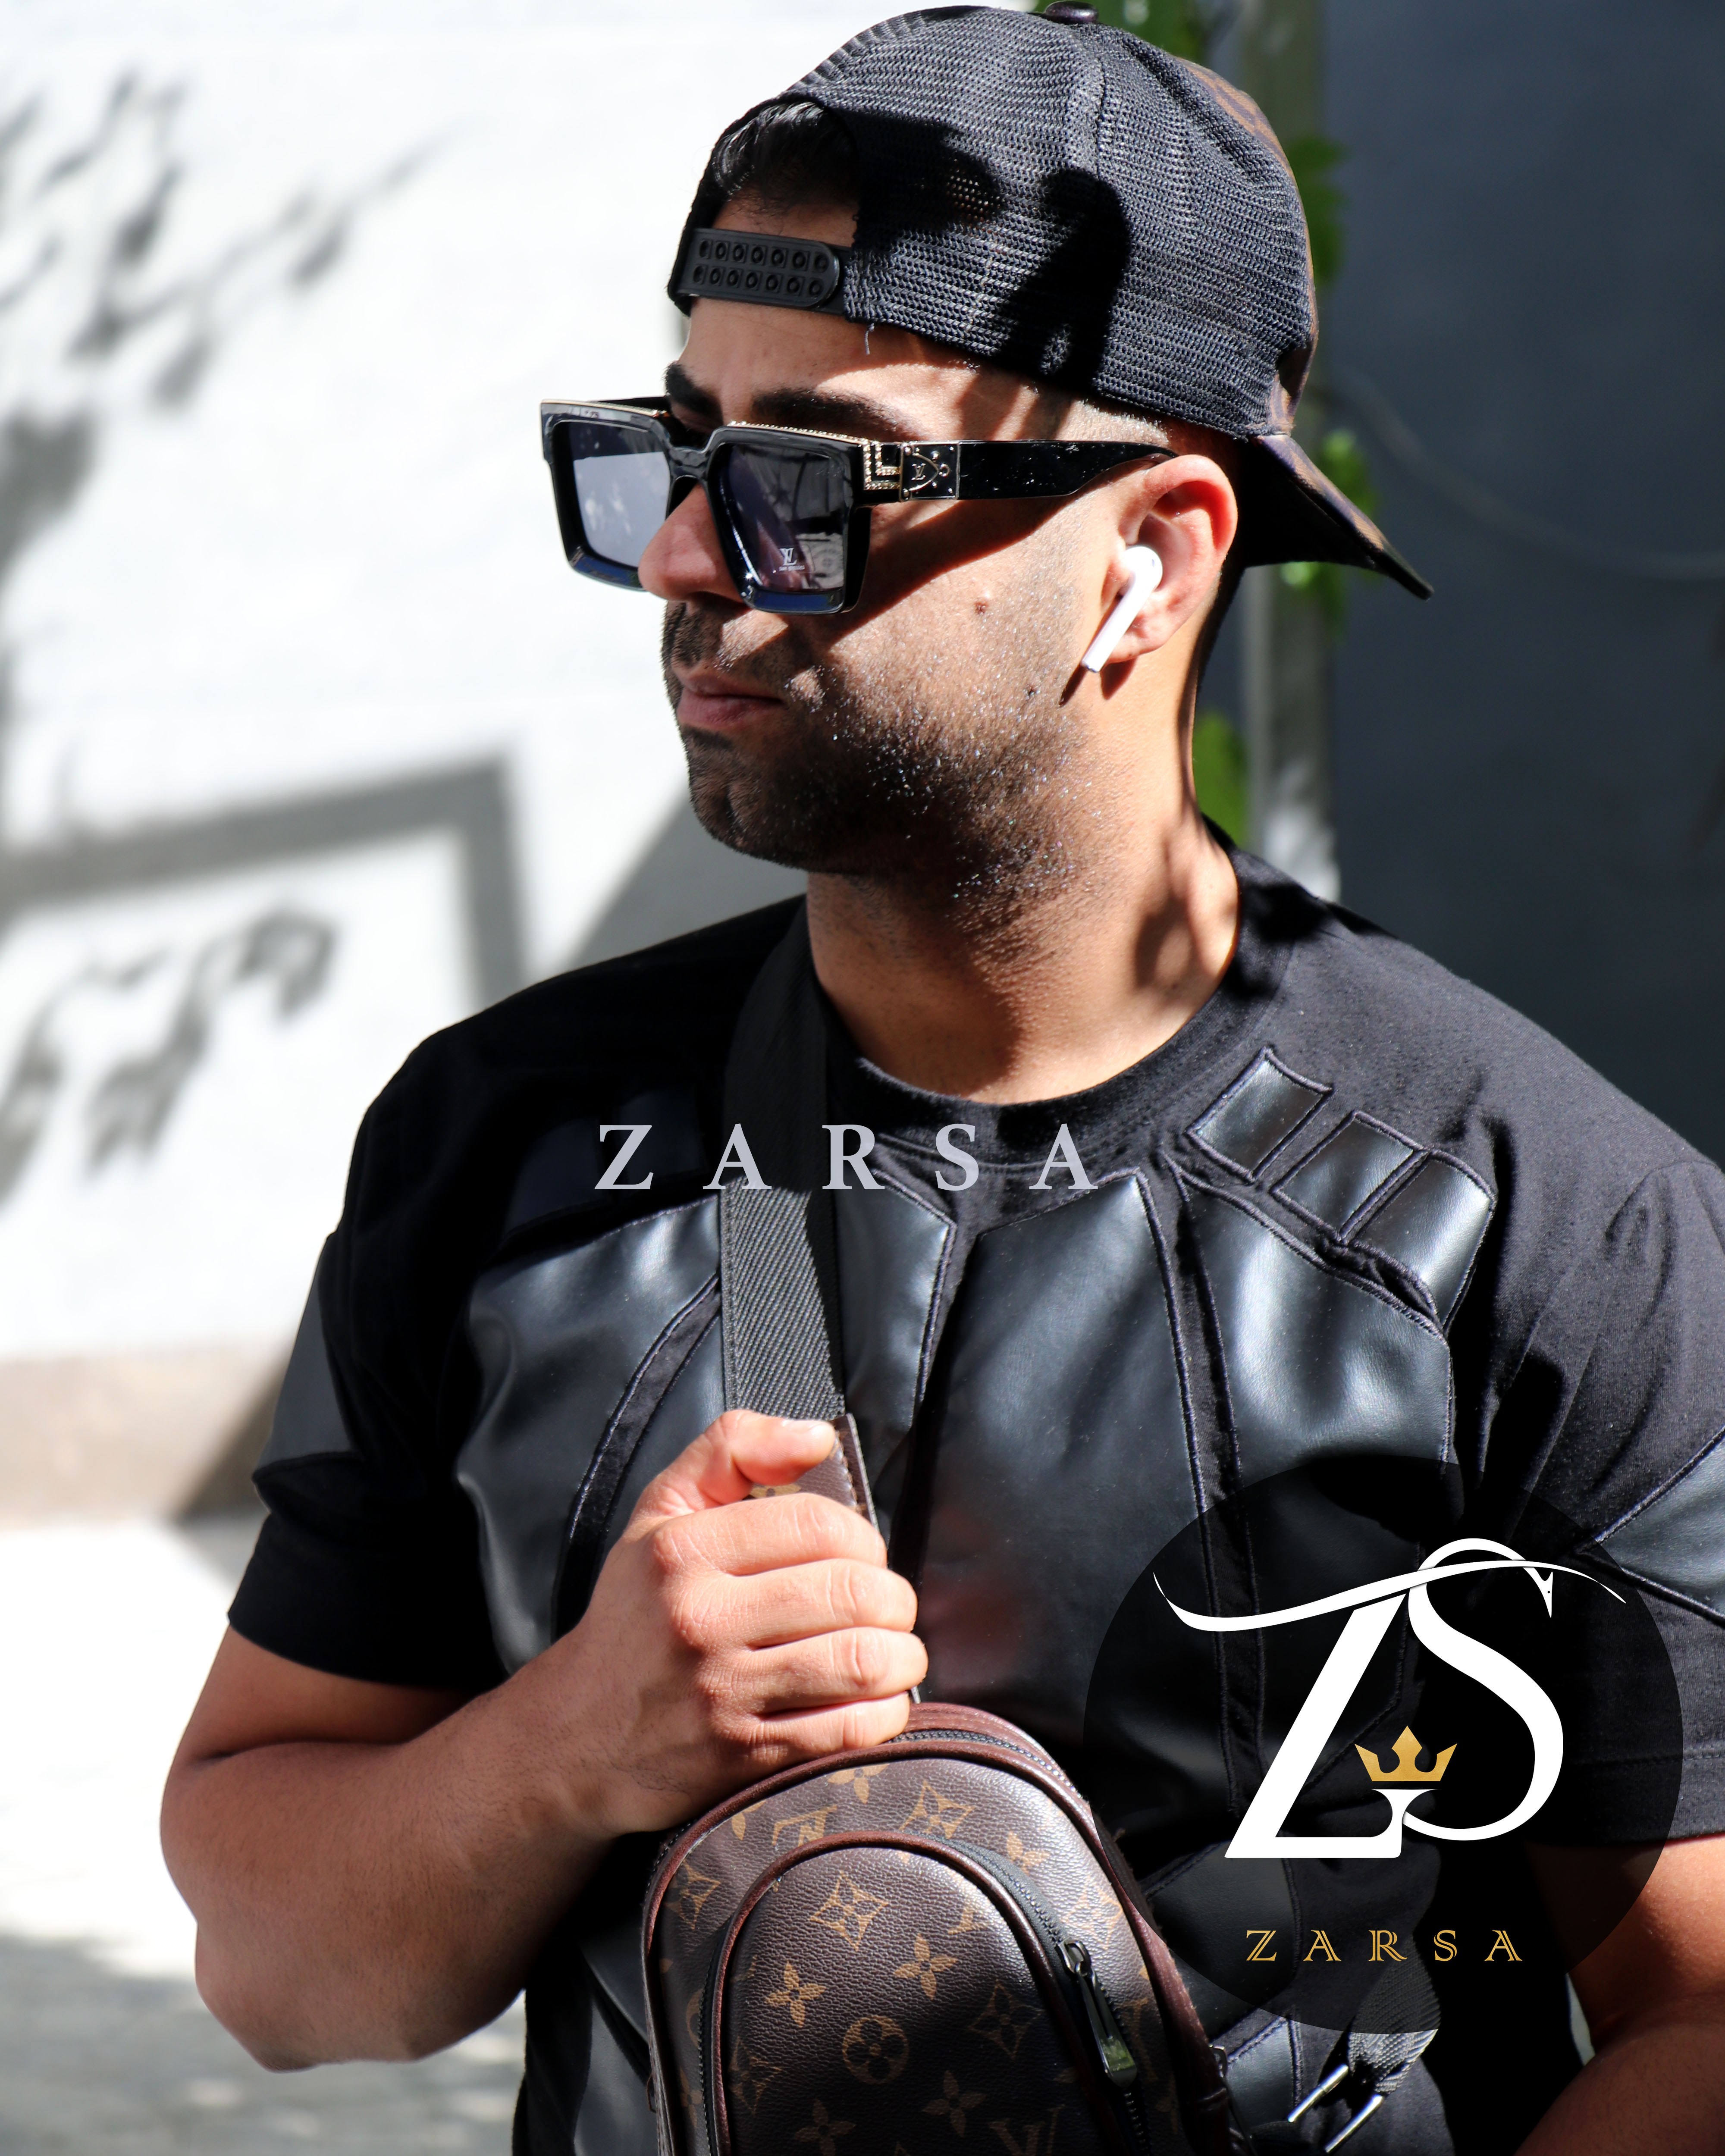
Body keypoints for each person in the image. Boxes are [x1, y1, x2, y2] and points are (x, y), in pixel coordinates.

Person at [161, 10, 1725, 2153]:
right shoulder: (503, 1149)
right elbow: (277, 1968)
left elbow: (1699, 2014)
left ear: (1148, 559)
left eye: (807, 480)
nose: (686, 559)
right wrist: (567, 1745)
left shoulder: (1538, 1226)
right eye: (671, 453)